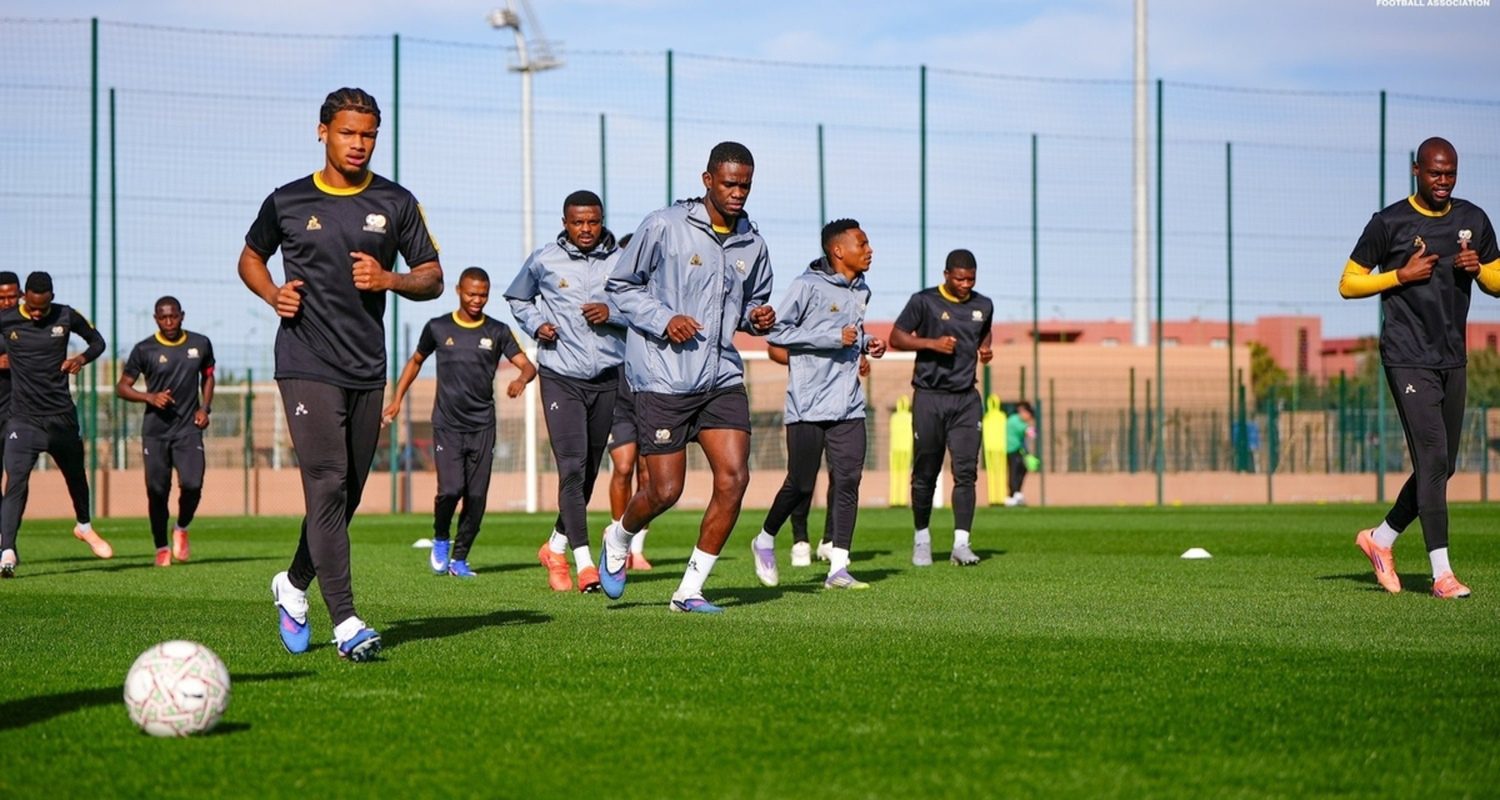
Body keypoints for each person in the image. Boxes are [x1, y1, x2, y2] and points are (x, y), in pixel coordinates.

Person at [238, 87, 442, 660]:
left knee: (345, 494)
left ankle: (293, 583)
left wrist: (389, 280)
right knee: (326, 482)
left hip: (365, 367)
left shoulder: (397, 202)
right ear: (322, 130)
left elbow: (432, 276)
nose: (359, 144)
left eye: (369, 134)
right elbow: (250, 256)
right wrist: (272, 292)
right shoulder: (287, 200)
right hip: (304, 361)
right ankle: (347, 621)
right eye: (349, 132)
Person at [600, 141, 776, 613]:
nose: (738, 193)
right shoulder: (663, 225)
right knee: (664, 490)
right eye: (730, 183)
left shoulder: (752, 243)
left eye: (746, 185)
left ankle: (689, 591)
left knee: (735, 478)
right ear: (707, 180)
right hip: (663, 375)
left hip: (720, 374)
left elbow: (751, 303)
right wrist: (664, 319)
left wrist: (758, 317)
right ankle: (618, 537)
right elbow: (620, 286)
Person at [1343, 137, 1499, 599]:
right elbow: (1348, 283)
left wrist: (1479, 271)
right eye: (1435, 173)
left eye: (1450, 173)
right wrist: (1399, 276)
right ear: (1417, 171)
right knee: (1431, 459)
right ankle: (1442, 574)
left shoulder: (1473, 220)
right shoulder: (1388, 223)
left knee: (1443, 465)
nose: (1444, 182)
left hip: (1452, 356)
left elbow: (1498, 279)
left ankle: (1380, 539)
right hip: (1406, 355)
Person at [751, 219, 885, 590]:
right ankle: (764, 539)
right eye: (863, 243)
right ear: (838, 250)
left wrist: (867, 341)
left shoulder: (862, 289)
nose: (869, 249)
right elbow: (777, 333)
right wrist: (831, 337)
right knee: (799, 484)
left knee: (848, 481)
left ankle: (838, 568)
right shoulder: (805, 286)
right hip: (807, 404)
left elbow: (851, 333)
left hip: (848, 405)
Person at [505, 190, 624, 594]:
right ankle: (585, 563)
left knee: (589, 471)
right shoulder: (544, 259)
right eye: (578, 222)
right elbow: (518, 297)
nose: (586, 229)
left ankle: (554, 547)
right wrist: (537, 324)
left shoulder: (622, 260)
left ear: (602, 219)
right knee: (571, 467)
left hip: (609, 374)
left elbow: (643, 303)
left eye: (593, 221)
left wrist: (614, 313)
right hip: (561, 375)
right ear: (564, 222)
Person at [386, 267, 534, 578]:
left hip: (483, 426)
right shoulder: (438, 328)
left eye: (483, 294)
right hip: (447, 424)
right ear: (458, 291)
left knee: (476, 497)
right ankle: (441, 537)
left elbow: (528, 366)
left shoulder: (498, 331)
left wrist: (520, 380)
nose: (477, 300)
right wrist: (397, 399)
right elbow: (415, 362)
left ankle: (460, 559)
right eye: (471, 294)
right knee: (451, 489)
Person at [0, 271, 110, 578]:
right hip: (23, 418)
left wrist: (81, 359)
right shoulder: (8, 319)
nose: (36, 314)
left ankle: (84, 526)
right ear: (25, 298)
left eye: (42, 308)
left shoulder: (66, 315)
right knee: (16, 483)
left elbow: (98, 341)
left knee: (76, 477)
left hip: (61, 417)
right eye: (32, 308)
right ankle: (7, 550)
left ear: (51, 297)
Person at [890, 249, 994, 567]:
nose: (965, 284)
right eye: (960, 278)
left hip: (966, 399)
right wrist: (931, 344)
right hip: (929, 397)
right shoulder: (925, 301)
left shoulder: (983, 305)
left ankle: (961, 544)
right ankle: (922, 538)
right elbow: (896, 337)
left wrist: (986, 348)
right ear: (946, 274)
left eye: (971, 279)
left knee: (966, 472)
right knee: (926, 472)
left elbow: (984, 330)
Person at [116, 297, 215, 567]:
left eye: (173, 316)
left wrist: (205, 408)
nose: (169, 322)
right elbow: (122, 387)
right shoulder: (144, 349)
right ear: (156, 319)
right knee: (157, 490)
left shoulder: (200, 343)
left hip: (188, 430)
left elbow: (208, 376)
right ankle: (161, 546)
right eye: (163, 317)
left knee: (193, 484)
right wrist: (150, 397)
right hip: (155, 432)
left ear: (182, 315)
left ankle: (181, 528)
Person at [767, 343, 871, 567]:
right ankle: (800, 539)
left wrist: (858, 357)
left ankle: (831, 540)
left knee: (843, 476)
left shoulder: (848, 313)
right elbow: (774, 348)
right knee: (803, 480)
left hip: (841, 409)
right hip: (807, 408)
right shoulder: (801, 313)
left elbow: (856, 344)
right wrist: (812, 363)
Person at [605, 232, 655, 572]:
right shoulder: (608, 293)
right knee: (623, 467)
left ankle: (637, 548)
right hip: (618, 392)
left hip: (652, 390)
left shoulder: (657, 295)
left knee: (650, 477)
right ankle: (617, 541)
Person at [1004, 401, 1036, 507]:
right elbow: (1028, 432)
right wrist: (1032, 432)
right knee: (1014, 472)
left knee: (1022, 469)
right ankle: (1013, 495)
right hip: (1012, 450)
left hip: (1017, 450)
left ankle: (1016, 493)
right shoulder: (1015, 420)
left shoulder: (1017, 421)